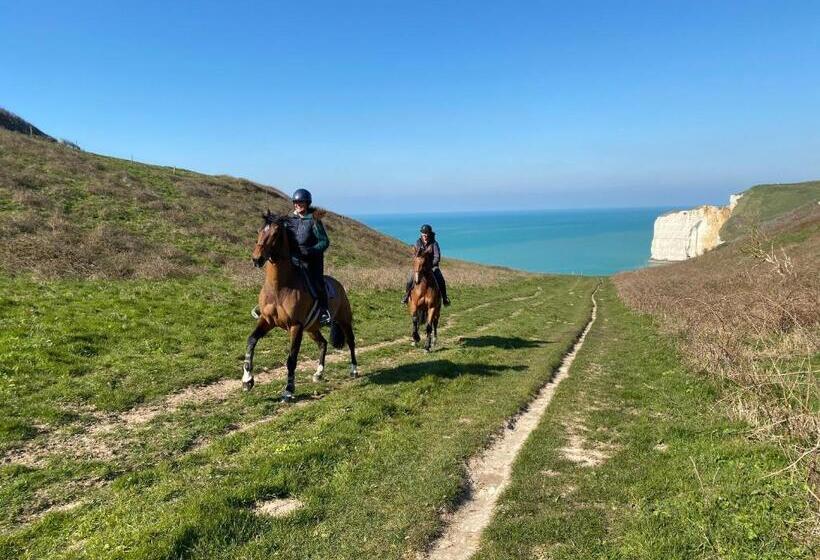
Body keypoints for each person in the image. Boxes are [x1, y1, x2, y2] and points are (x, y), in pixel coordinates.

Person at [286, 188, 332, 326]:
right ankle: (266, 306)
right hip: (292, 260)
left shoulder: (314, 220)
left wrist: (310, 251)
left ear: (307, 203)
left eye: (301, 202)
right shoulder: (289, 220)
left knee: (317, 282)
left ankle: (324, 311)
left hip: (311, 261)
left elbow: (324, 241)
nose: (298, 204)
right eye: (296, 202)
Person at [402, 224, 450, 306]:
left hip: (432, 267)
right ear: (421, 234)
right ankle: (406, 296)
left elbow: (437, 257)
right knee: (410, 277)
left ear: (429, 234)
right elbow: (416, 255)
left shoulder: (434, 243)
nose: (425, 235)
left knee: (440, 278)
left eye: (427, 233)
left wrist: (430, 265)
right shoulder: (418, 242)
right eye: (424, 233)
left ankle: (444, 297)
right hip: (420, 267)